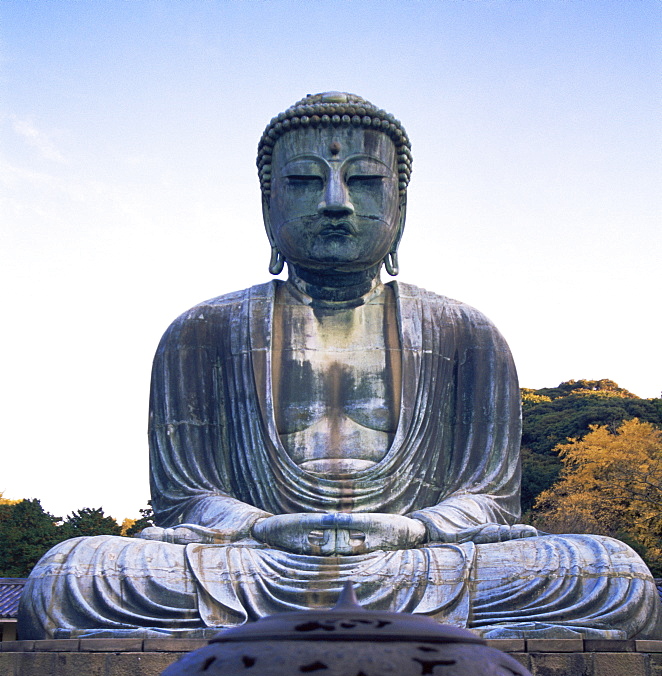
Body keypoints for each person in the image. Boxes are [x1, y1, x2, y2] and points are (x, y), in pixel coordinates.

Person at [18, 92, 662, 639]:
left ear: (401, 207)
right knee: (69, 578)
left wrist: (411, 529)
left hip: (417, 560)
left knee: (612, 576)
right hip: (260, 560)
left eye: (363, 181)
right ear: (268, 206)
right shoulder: (202, 332)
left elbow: (489, 502)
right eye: (303, 182)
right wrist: (267, 526)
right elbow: (185, 500)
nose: (334, 201)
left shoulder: (467, 334)